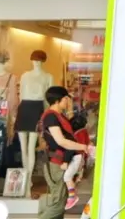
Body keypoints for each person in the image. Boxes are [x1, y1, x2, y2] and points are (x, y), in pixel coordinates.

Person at [38, 87, 90, 219]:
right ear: (57, 100)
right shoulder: (51, 116)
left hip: (61, 162)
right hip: (56, 163)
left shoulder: (59, 116)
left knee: (62, 200)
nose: (68, 101)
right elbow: (61, 141)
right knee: (59, 203)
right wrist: (84, 147)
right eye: (66, 99)